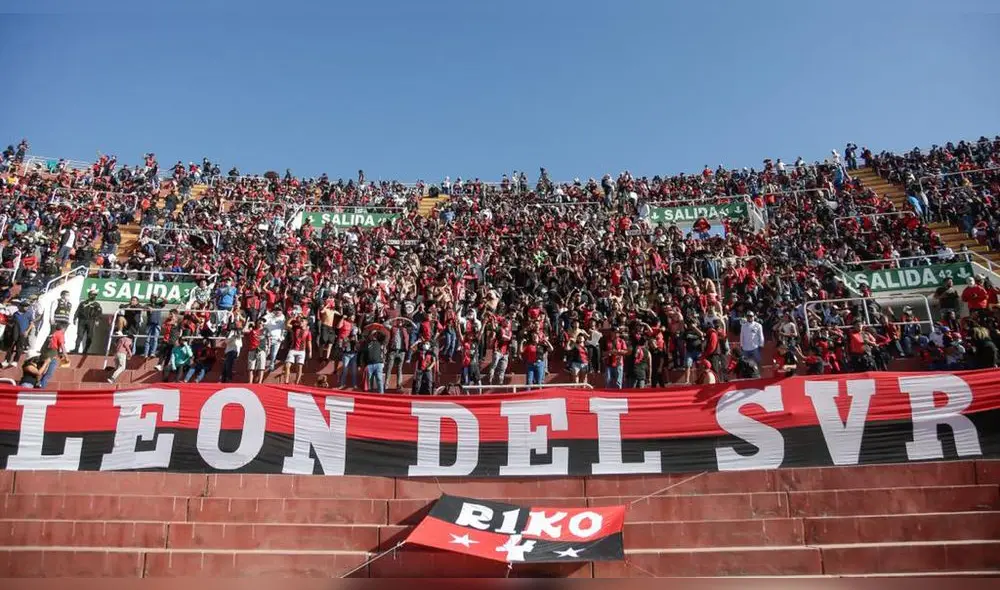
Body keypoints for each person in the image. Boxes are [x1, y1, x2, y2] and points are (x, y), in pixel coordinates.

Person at [2, 301, 35, 368]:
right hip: (14, 333)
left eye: (27, 306)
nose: (27, 308)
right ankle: (6, 361)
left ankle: (15, 361)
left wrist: (27, 332)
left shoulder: (29, 314)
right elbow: (11, 324)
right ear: (21, 306)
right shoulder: (15, 314)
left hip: (23, 334)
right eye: (25, 306)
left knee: (19, 348)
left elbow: (31, 324)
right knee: (10, 347)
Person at [38, 321, 68, 388]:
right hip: (51, 356)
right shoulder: (60, 334)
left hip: (44, 355)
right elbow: (62, 346)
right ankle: (41, 388)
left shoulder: (52, 334)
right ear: (63, 328)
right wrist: (66, 356)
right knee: (48, 374)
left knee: (44, 373)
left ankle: (39, 384)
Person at [283, 315, 312, 385]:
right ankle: (286, 382)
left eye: (302, 321)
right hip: (293, 349)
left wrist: (310, 351)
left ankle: (296, 382)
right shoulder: (295, 327)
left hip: (302, 351)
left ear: (306, 323)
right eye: (300, 321)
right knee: (287, 365)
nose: (300, 322)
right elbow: (287, 325)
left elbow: (309, 342)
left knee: (299, 367)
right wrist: (292, 318)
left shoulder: (308, 332)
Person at [74, 287, 103, 354]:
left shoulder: (96, 304)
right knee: (79, 335)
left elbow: (99, 313)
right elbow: (78, 311)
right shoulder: (83, 303)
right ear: (89, 295)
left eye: (95, 295)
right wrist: (75, 318)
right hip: (82, 320)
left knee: (90, 336)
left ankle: (85, 350)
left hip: (91, 321)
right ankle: (76, 349)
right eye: (92, 294)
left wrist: (97, 320)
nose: (94, 296)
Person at [384, 319, 410, 391]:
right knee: (389, 368)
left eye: (401, 321)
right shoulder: (393, 328)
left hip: (401, 351)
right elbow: (385, 324)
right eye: (398, 321)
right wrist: (393, 319)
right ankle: (386, 385)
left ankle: (399, 385)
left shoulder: (405, 329)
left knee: (399, 369)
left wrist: (408, 320)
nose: (400, 322)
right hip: (393, 350)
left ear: (403, 322)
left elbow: (415, 327)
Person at [245, 319, 268, 384]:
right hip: (252, 349)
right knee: (251, 366)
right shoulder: (252, 330)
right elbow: (244, 330)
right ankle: (250, 382)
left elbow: (269, 339)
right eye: (259, 321)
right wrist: (248, 323)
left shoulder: (265, 330)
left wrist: (268, 349)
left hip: (262, 349)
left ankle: (260, 382)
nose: (261, 322)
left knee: (261, 366)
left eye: (262, 321)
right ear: (257, 322)